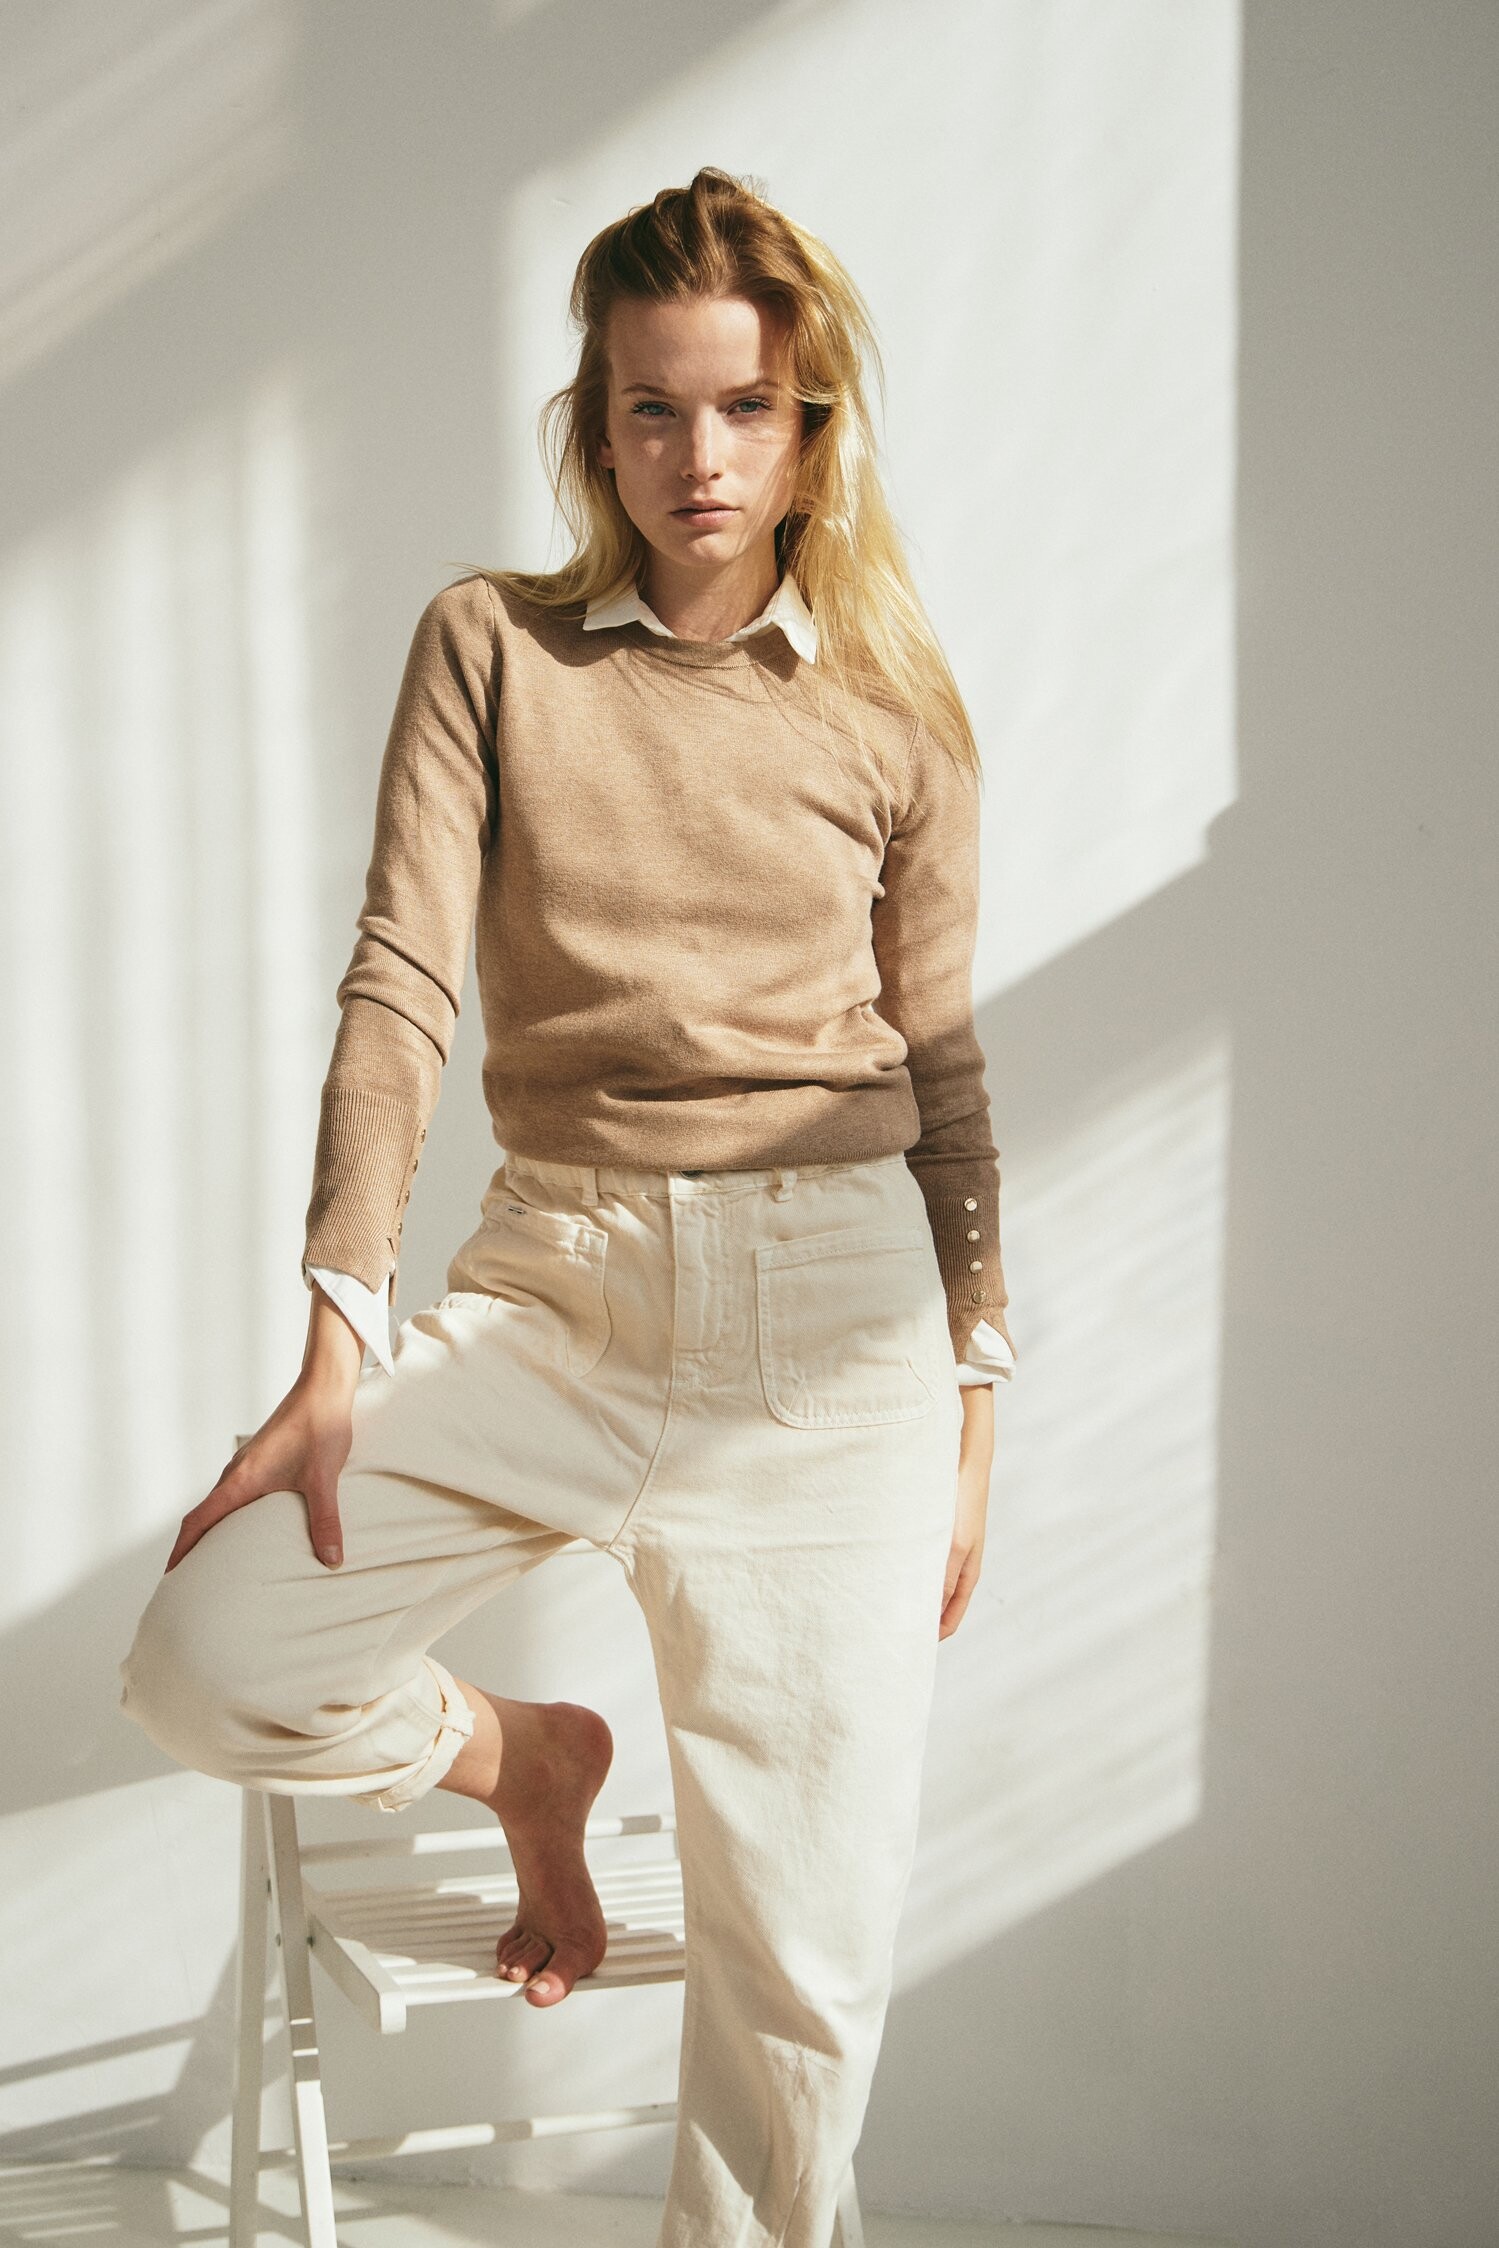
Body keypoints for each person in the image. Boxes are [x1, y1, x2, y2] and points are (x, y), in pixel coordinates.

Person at [117, 166, 1017, 2248]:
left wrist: (979, 1393)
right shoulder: (492, 648)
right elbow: (401, 981)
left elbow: (949, 1078)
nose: (702, 457)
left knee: (799, 1980)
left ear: (812, 432)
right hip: (563, 1285)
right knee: (210, 1655)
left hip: (836, 1330)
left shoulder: (897, 715)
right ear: (595, 430)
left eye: (747, 408)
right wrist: (337, 1341)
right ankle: (528, 1756)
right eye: (653, 409)